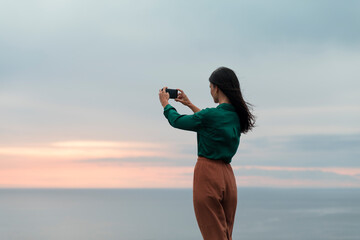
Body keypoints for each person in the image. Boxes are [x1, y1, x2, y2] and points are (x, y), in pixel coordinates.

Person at [158, 66, 256, 240]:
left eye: (210, 87)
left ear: (217, 87)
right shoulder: (236, 116)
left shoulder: (210, 116)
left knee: (213, 235)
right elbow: (210, 123)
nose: (211, 92)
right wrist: (189, 104)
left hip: (208, 173)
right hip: (228, 177)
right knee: (225, 234)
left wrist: (166, 105)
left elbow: (177, 121)